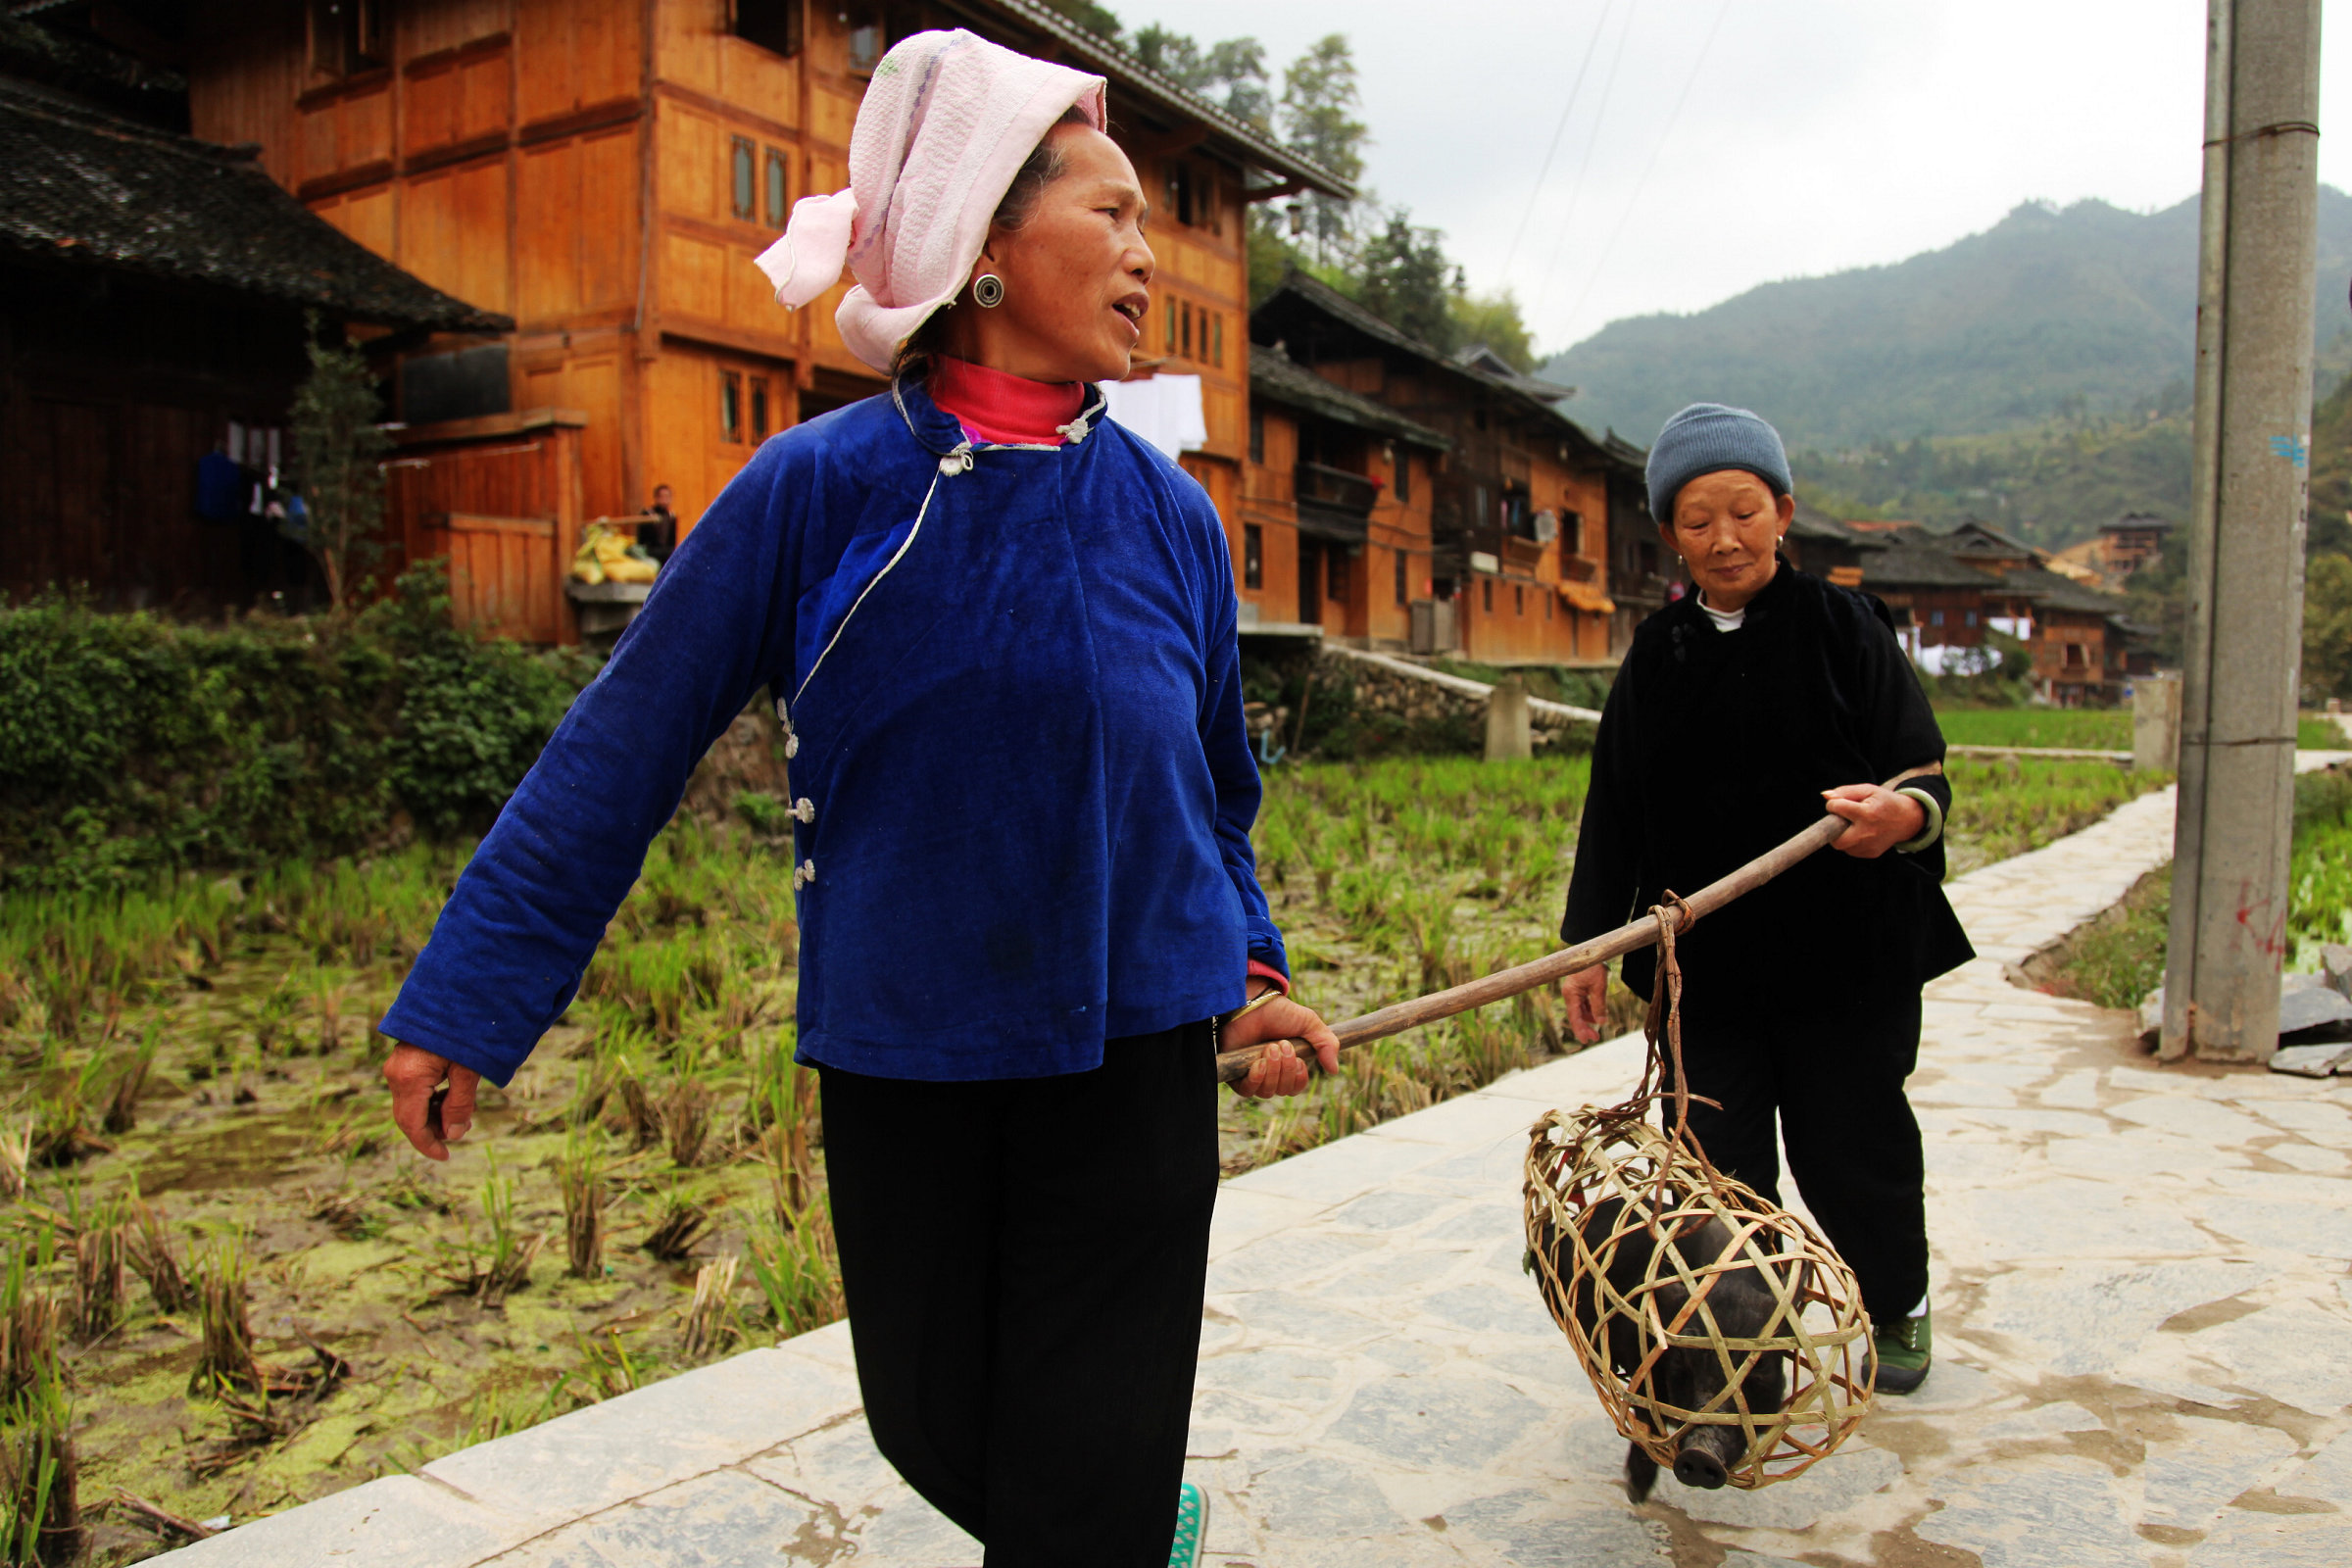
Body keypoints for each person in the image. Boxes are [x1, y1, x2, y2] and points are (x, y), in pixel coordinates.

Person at [375, 28, 1337, 1568]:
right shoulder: (818, 489)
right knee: (932, 1420)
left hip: (1136, 1051)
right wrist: (470, 998)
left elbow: (1214, 795)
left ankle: (1109, 1524)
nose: (1147, 255)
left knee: (1084, 1466)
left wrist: (1247, 975)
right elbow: (621, 749)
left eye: (1149, 220)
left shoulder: (1172, 517)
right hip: (912, 1042)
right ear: (984, 253)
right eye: (1110, 213)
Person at [1555, 403, 1972, 1396]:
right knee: (1716, 1161)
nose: (1725, 538)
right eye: (1698, 520)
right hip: (1708, 971)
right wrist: (1587, 946)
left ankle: (1896, 1299)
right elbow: (1613, 811)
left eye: (1744, 512)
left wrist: (1902, 816)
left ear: (1783, 512)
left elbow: (1921, 772)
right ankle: (1745, 1336)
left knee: (1852, 1145)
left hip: (1845, 959)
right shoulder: (1657, 653)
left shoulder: (1846, 626)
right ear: (1671, 533)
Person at [636, 483, 677, 563]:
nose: (665, 500)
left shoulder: (671, 516)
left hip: (667, 551)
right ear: (656, 498)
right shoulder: (648, 514)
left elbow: (672, 540)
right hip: (651, 550)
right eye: (662, 497)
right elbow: (641, 540)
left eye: (667, 497)